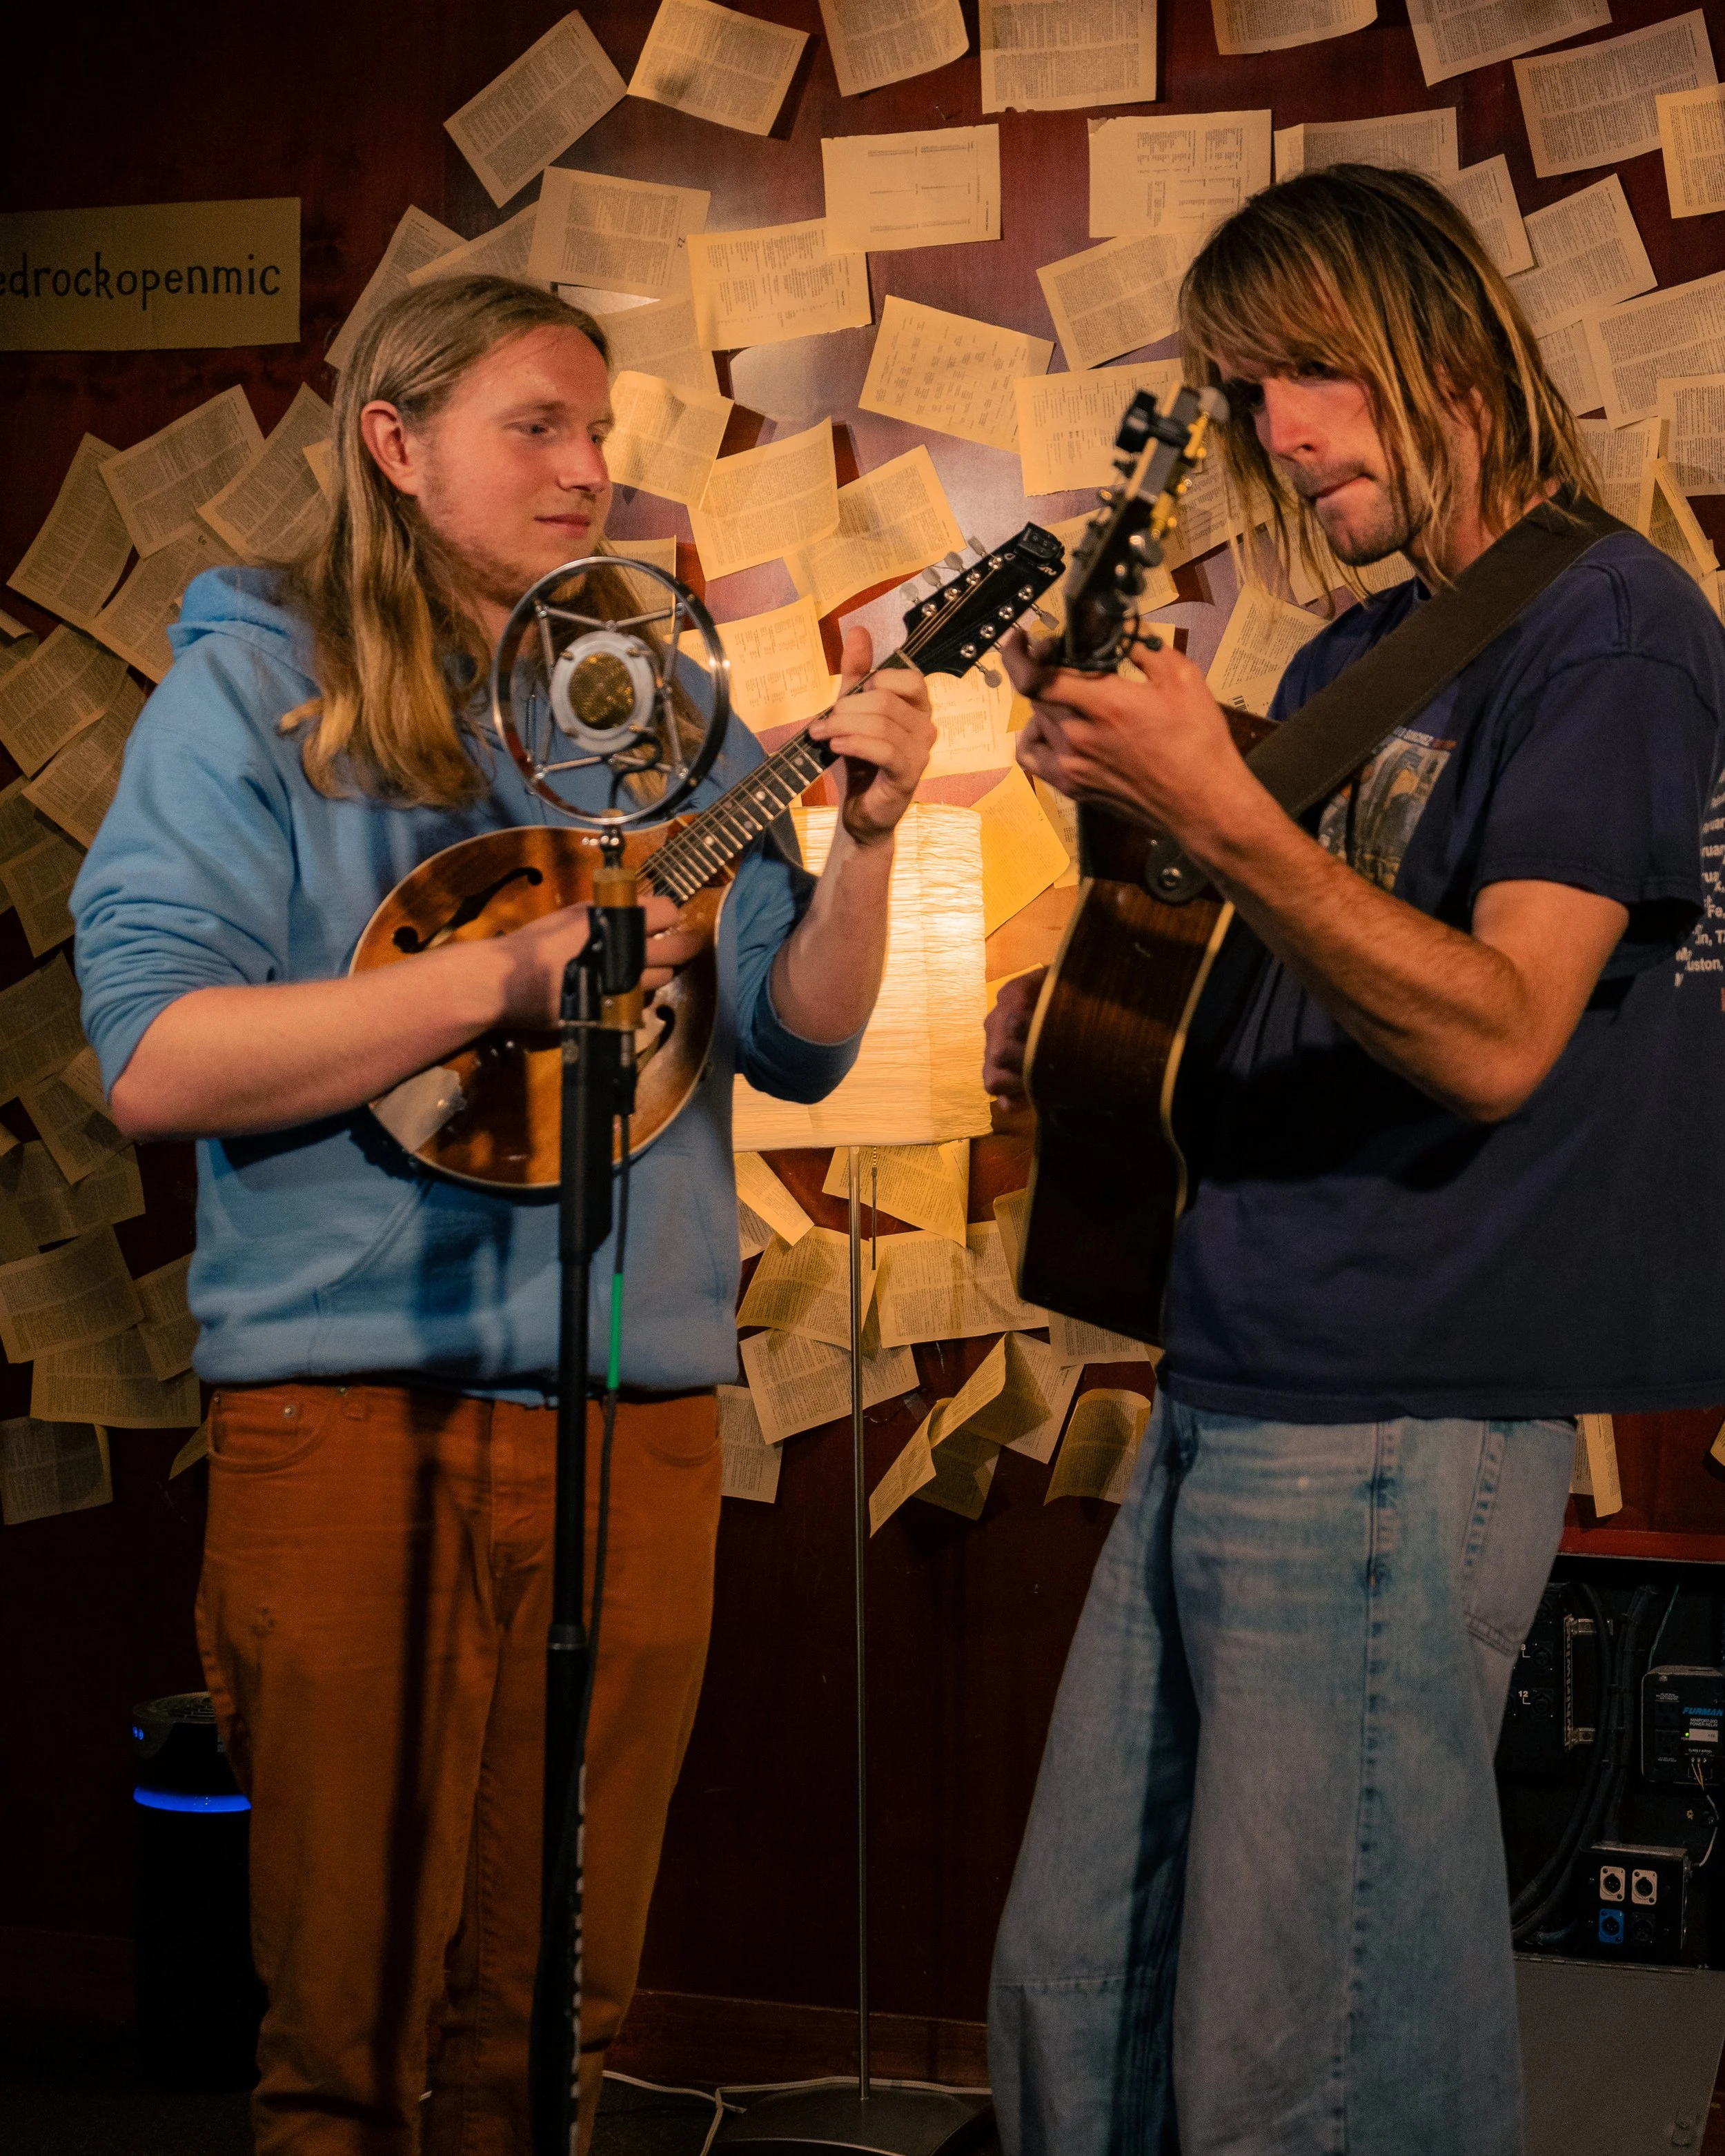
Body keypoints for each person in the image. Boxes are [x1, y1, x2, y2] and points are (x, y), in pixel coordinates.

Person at [72, 275, 933, 2155]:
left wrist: (863, 839)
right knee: (350, 2034)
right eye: (535, 425)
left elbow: (789, 1038)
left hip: (634, 1420)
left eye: (601, 430)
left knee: (552, 2022)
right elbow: (155, 1057)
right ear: (396, 443)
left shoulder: (652, 705)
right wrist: (491, 983)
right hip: (357, 1416)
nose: (588, 468)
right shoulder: (248, 692)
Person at [983, 166, 1725, 2156]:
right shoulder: (1350, 666)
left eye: (1307, 371)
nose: (1277, 436)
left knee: (1304, 2048)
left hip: (1402, 1402)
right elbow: (1305, 969)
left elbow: (1494, 1028)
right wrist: (1080, 1007)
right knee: (1087, 1992)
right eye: (1244, 393)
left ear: (1441, 342)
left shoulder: (1612, 631)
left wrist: (1220, 818)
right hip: (1233, 1371)